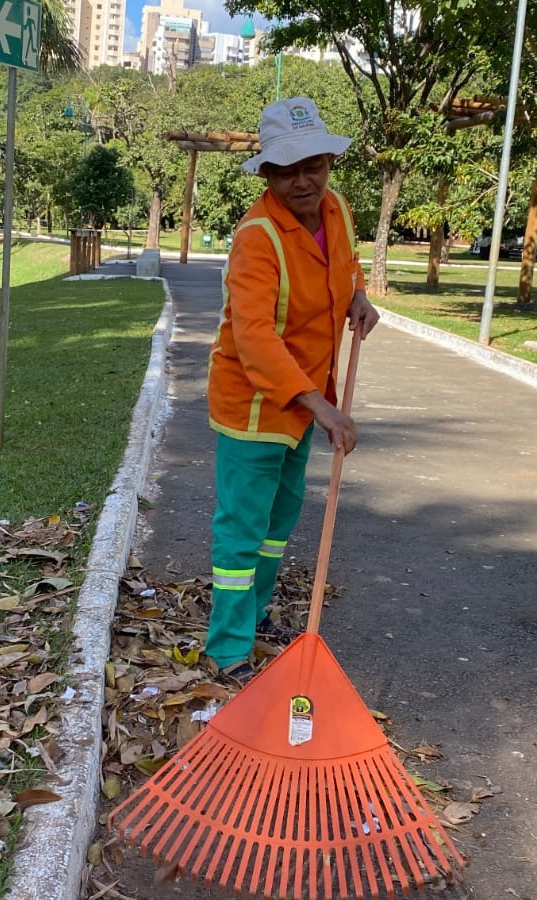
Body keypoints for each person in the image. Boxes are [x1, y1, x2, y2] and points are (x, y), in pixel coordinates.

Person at [204, 97, 380, 683]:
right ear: (268, 174)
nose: (303, 180)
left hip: (307, 400)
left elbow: (346, 267)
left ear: (329, 161)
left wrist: (358, 296)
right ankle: (227, 650)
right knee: (242, 528)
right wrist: (321, 406)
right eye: (287, 170)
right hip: (255, 405)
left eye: (313, 164)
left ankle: (254, 621)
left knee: (280, 518)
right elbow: (253, 337)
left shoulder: (337, 210)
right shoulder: (257, 237)